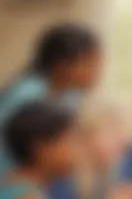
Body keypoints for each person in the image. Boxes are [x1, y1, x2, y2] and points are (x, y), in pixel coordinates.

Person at [0, 23, 102, 178]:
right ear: (61, 64)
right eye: (89, 63)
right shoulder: (27, 95)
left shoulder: (69, 95)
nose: (96, 72)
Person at [47, 96, 132, 199]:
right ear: (86, 135)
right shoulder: (64, 174)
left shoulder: (111, 166)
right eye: (113, 131)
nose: (122, 139)